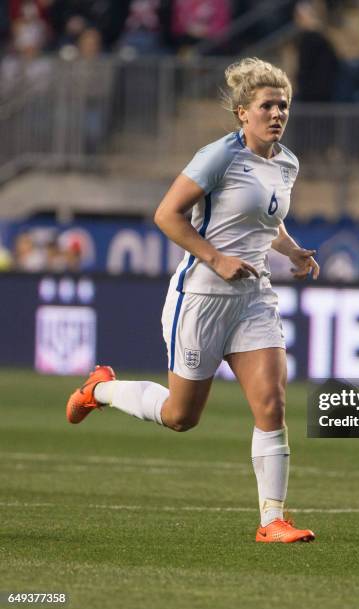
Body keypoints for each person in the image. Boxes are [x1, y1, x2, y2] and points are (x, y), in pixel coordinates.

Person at [66, 57, 319, 543]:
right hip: (202, 296)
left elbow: (266, 221)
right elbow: (167, 215)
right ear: (243, 112)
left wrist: (292, 251)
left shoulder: (287, 162)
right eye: (267, 105)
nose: (277, 113)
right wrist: (216, 258)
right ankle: (100, 389)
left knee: (272, 403)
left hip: (254, 297)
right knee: (181, 417)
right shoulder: (217, 156)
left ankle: (272, 521)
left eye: (283, 105)